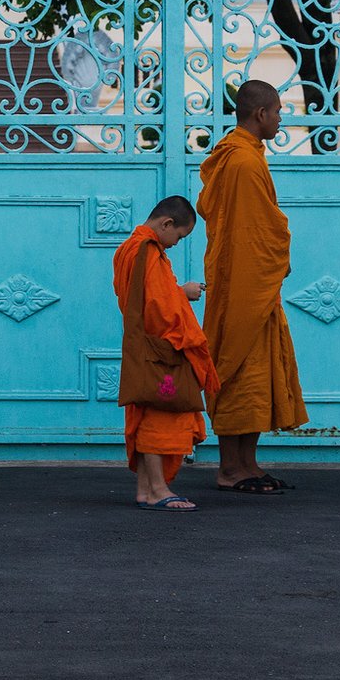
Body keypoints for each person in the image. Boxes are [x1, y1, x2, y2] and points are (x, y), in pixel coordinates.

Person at [198, 78, 308, 493]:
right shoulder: (243, 162)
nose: (280, 118)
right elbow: (259, 230)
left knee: (256, 372)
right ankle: (229, 469)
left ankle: (247, 464)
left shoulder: (242, 157)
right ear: (261, 114)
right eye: (278, 111)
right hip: (243, 285)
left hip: (250, 284)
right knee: (238, 367)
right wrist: (278, 243)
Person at [112, 194, 218, 511]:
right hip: (161, 349)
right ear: (166, 223)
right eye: (179, 236)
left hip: (145, 346)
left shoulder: (128, 249)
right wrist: (182, 294)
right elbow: (158, 306)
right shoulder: (145, 250)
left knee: (150, 413)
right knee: (160, 415)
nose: (176, 243)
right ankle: (158, 489)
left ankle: (146, 489)